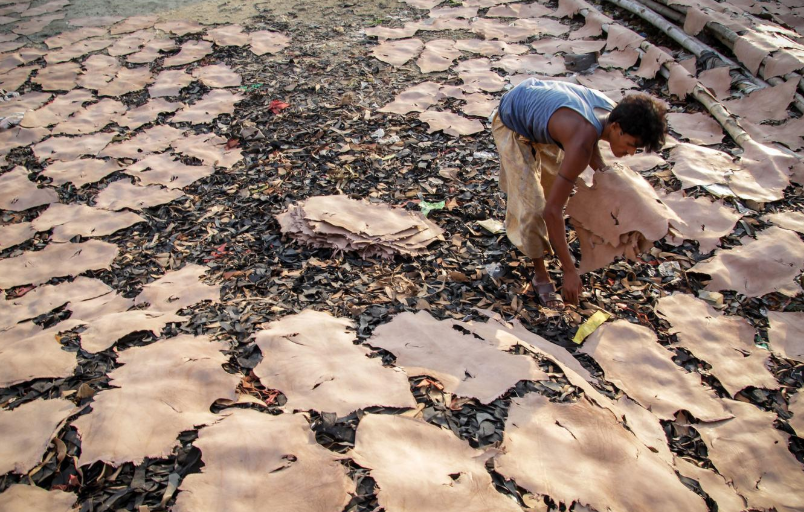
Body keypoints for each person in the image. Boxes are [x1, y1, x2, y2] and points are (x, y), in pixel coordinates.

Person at [491, 78, 668, 310]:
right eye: (631, 144)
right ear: (616, 128)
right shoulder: (581, 138)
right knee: (534, 208)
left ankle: (543, 243)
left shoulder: (613, 114)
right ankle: (540, 275)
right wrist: (569, 271)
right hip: (513, 117)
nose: (632, 152)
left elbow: (591, 148)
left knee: (552, 189)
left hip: (542, 110)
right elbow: (552, 211)